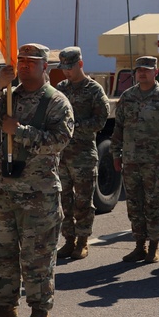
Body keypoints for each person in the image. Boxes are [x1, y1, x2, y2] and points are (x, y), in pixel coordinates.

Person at [0, 43, 74, 317]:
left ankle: (40, 308)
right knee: (0, 250)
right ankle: (4, 305)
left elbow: (60, 140)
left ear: (46, 67)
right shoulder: (8, 96)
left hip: (38, 191)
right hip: (5, 187)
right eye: (21, 61)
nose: (25, 65)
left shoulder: (56, 101)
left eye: (32, 61)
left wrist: (21, 131)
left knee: (37, 254)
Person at [111, 56, 159, 263]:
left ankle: (154, 246)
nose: (142, 73)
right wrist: (116, 154)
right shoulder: (128, 96)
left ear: (155, 72)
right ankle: (139, 245)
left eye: (147, 70)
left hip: (155, 161)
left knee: (153, 203)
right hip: (131, 160)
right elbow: (119, 128)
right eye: (139, 70)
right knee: (134, 204)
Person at [54, 47, 109, 261]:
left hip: (83, 154)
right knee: (64, 199)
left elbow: (100, 121)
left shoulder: (94, 90)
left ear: (80, 64)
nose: (66, 72)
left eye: (70, 67)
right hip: (62, 154)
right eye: (64, 68)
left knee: (83, 200)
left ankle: (83, 241)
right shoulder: (60, 89)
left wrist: (73, 127)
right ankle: (69, 241)